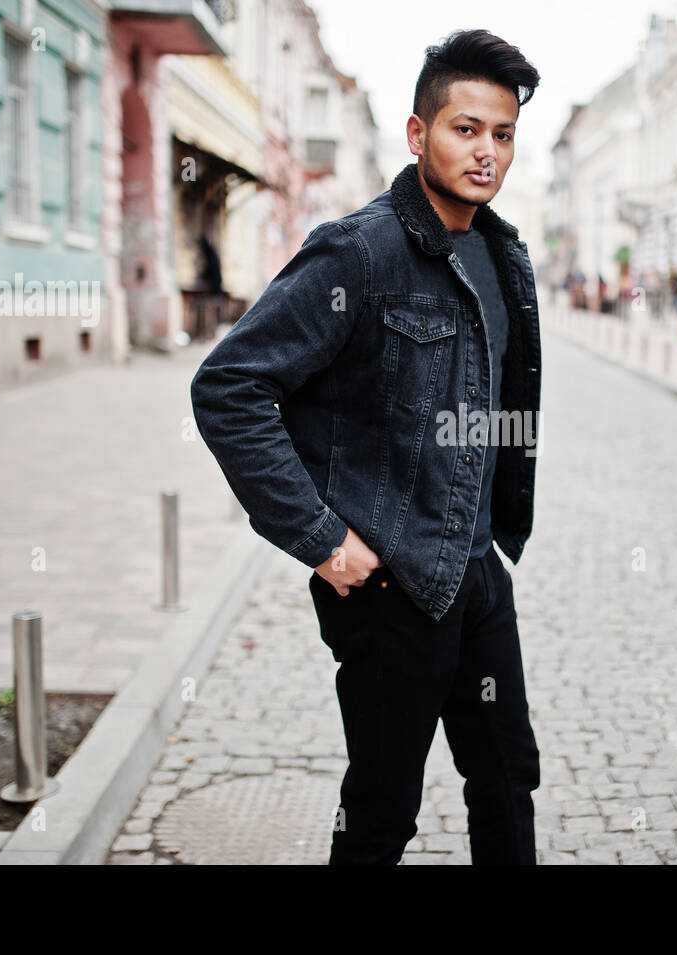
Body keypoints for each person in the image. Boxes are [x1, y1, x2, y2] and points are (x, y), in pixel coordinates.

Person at [190, 29, 542, 866]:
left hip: (475, 568)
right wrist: (323, 542)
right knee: (382, 808)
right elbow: (229, 387)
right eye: (465, 128)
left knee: (506, 777)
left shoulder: (502, 253)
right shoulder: (361, 249)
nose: (486, 151)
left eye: (502, 134)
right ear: (418, 134)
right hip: (388, 584)